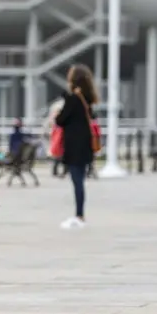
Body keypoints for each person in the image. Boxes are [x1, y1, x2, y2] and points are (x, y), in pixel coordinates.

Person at [54, 64, 99, 229]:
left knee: (77, 181)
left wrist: (64, 102)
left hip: (74, 145)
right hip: (85, 145)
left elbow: (61, 120)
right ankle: (80, 213)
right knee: (79, 180)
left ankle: (79, 215)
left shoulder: (73, 99)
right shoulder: (87, 99)